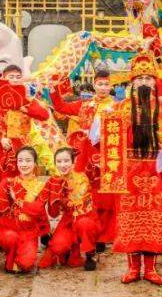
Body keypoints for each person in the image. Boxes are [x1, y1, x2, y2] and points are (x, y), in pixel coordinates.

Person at [93, 35, 162, 286]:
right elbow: (97, 137)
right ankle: (132, 267)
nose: (144, 82)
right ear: (132, 82)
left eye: (148, 78)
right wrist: (102, 119)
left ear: (155, 81)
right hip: (128, 172)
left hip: (155, 171)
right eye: (139, 78)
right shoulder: (119, 108)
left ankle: (150, 268)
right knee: (129, 219)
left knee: (154, 219)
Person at [48, 69, 116, 247]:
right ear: (94, 85)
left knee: (106, 195)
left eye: (106, 84)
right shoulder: (85, 105)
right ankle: (88, 229)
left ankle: (103, 234)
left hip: (108, 156)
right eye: (100, 84)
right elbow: (61, 107)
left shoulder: (117, 107)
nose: (103, 87)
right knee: (88, 191)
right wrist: (54, 91)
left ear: (111, 86)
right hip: (86, 155)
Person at [0, 65, 51, 192]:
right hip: (1, 149)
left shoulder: (26, 100)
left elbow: (45, 115)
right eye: (11, 77)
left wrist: (25, 109)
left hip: (24, 148)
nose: (15, 79)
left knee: (34, 180)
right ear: (4, 79)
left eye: (18, 77)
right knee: (1, 184)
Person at [38, 146, 101, 271]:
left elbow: (86, 202)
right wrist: (43, 230)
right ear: (55, 163)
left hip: (86, 218)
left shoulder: (83, 177)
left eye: (66, 161)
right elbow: (40, 203)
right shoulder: (53, 181)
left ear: (73, 162)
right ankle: (71, 250)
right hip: (67, 222)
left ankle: (90, 254)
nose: (63, 165)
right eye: (59, 162)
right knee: (57, 247)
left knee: (84, 224)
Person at [0, 146, 51, 274]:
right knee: (9, 237)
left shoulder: (41, 185)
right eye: (20, 161)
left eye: (28, 160)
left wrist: (18, 200)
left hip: (30, 231)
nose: (24, 164)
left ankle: (18, 257)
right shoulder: (9, 182)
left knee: (26, 264)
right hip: (11, 227)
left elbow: (38, 209)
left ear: (35, 163)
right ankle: (10, 256)